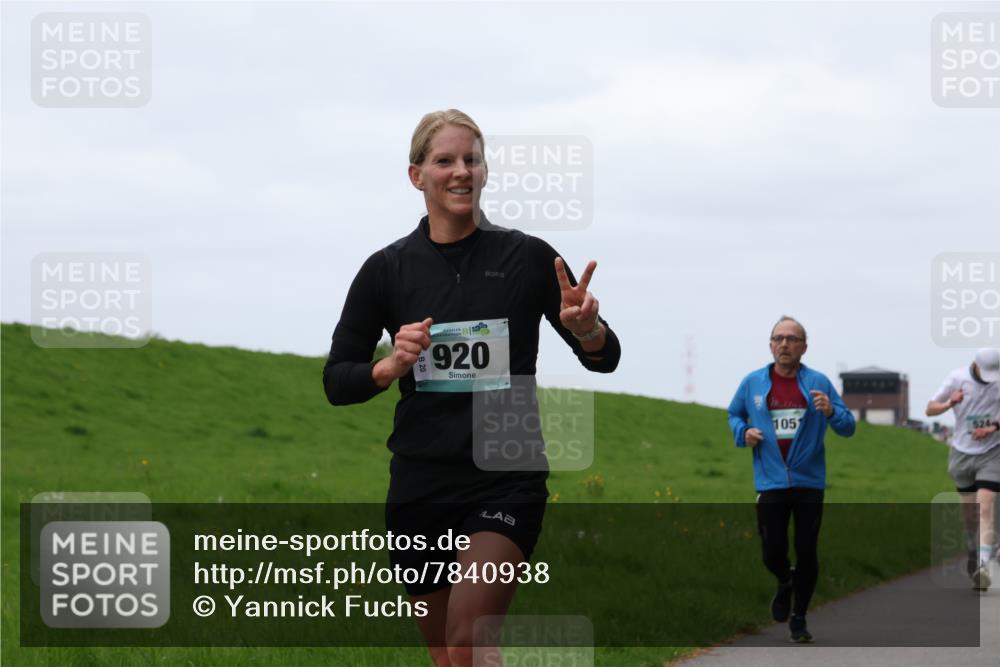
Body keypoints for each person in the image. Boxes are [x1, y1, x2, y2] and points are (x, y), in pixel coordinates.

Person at [322, 109, 621, 667]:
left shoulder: (527, 257)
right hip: (421, 483)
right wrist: (388, 368)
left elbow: (605, 359)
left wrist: (589, 331)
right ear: (417, 176)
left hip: (505, 479)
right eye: (445, 161)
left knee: (470, 637)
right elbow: (337, 381)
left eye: (472, 160)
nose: (461, 171)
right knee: (447, 656)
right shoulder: (385, 270)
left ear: (485, 172)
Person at [727, 316, 856, 643]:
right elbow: (734, 415)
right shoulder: (753, 383)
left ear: (804, 347)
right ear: (771, 345)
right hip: (770, 481)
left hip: (809, 482)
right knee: (772, 551)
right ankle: (785, 581)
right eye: (779, 338)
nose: (785, 344)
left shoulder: (819, 382)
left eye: (792, 339)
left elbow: (848, 427)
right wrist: (744, 433)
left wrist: (830, 412)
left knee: (807, 550)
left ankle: (799, 618)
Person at [925, 347, 1000, 591]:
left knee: (985, 506)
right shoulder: (956, 378)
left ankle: (982, 566)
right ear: (975, 364)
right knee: (969, 514)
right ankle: (972, 550)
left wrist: (994, 427)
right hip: (962, 453)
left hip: (992, 452)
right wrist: (950, 402)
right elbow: (930, 408)